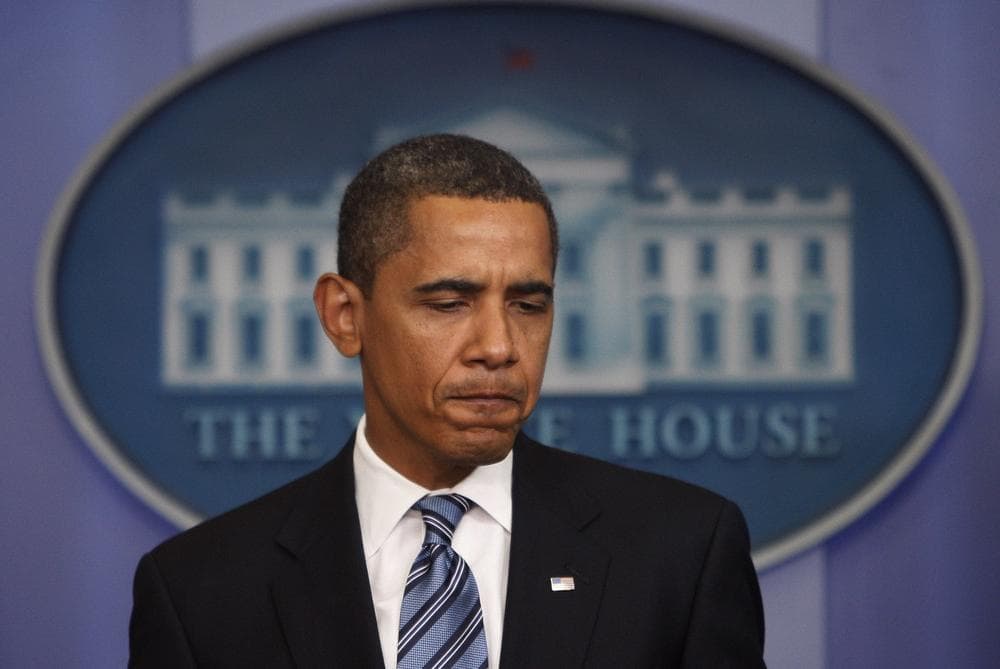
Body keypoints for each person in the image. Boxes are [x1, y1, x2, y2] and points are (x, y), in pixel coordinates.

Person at [129, 134, 765, 668]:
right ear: (345, 316)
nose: (498, 346)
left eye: (528, 304)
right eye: (448, 304)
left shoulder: (681, 555)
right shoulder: (200, 590)